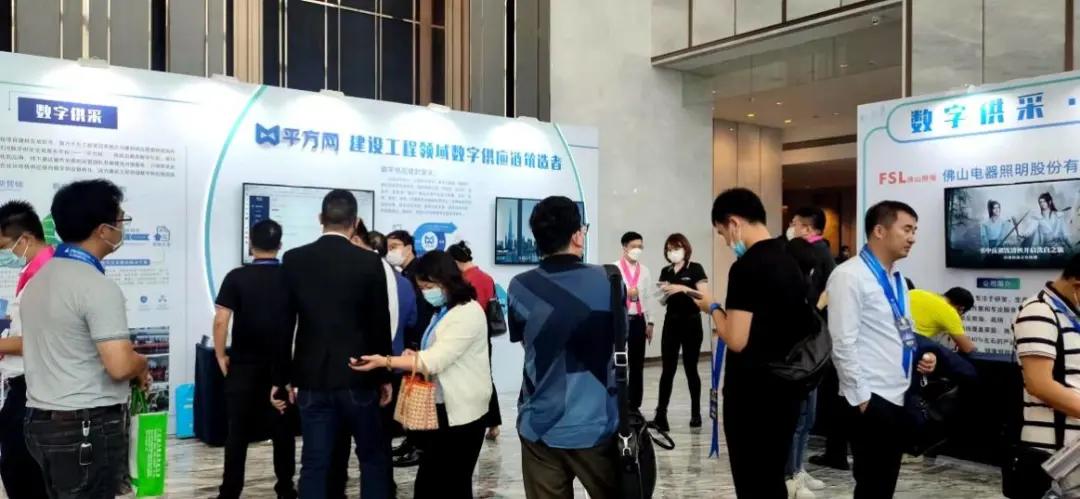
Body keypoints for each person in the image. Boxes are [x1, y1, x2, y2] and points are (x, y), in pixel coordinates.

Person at [21, 179, 151, 498]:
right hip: (85, 427)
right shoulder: (96, 286)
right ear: (103, 230)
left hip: (41, 421)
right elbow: (120, 366)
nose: (122, 227)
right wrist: (141, 364)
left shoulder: (39, 280)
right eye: (120, 219)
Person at [273, 189, 393, 499]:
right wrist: (384, 375)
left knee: (314, 463)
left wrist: (283, 379)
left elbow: (283, 325)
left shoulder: (294, 259)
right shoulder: (369, 262)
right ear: (355, 222)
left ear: (320, 218)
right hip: (360, 374)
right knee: (372, 458)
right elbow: (379, 323)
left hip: (310, 379)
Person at [697, 188, 816, 498]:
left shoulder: (747, 266)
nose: (726, 241)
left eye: (723, 233)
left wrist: (712, 307)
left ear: (734, 223)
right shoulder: (791, 259)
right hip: (787, 390)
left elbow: (736, 339)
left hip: (753, 396)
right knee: (772, 478)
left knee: (753, 482)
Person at [352, 250, 492, 499]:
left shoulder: (467, 313)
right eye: (422, 287)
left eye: (429, 286)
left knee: (450, 484)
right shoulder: (444, 311)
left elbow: (435, 361)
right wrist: (414, 355)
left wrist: (384, 361)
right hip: (442, 409)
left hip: (462, 413)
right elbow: (434, 352)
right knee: (433, 483)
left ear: (447, 280)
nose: (426, 292)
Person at [827, 200, 939, 499]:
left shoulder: (896, 279)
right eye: (907, 229)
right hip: (872, 398)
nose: (912, 238)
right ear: (879, 230)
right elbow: (843, 343)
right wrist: (863, 399)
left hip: (899, 394)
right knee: (872, 486)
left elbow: (900, 330)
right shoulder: (849, 275)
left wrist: (921, 355)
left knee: (884, 484)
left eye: (914, 230)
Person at [508, 196, 619, 498]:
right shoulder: (609, 280)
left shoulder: (519, 286)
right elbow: (617, 340)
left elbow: (526, 343)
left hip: (539, 423)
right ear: (577, 236)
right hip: (598, 422)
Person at [213, 219, 297, 499]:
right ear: (280, 245)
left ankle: (230, 492)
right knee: (282, 432)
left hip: (243, 366)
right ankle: (285, 489)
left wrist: (220, 354)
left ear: (250, 244)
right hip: (280, 367)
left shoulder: (236, 277)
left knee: (237, 433)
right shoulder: (290, 278)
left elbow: (221, 320)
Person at [1008, 254, 1080, 498]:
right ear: (1077, 285)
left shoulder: (1071, 314)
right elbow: (1040, 384)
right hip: (1055, 455)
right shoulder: (1039, 312)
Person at [0, 201, 53, 499]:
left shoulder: (46, 276)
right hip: (23, 386)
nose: (7, 254)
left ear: (26, 239)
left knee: (22, 470)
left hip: (33, 387)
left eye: (6, 247)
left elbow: (36, 340)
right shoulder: (33, 272)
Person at [784, 206, 838, 497]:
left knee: (805, 416)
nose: (790, 228)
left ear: (806, 228)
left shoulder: (817, 255)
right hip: (806, 346)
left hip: (809, 346)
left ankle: (796, 471)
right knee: (802, 415)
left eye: (794, 223)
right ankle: (793, 472)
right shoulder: (815, 254)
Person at [386, 229, 432, 467]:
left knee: (418, 397)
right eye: (388, 247)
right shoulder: (402, 273)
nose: (390, 251)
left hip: (418, 342)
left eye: (394, 246)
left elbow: (420, 313)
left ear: (408, 247)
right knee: (409, 397)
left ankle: (419, 446)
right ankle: (411, 441)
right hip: (408, 345)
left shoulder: (418, 272)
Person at [653, 233, 709, 431]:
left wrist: (682, 288)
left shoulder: (695, 268)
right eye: (669, 249)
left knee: (691, 368)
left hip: (691, 322)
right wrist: (663, 291)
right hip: (671, 323)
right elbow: (662, 300)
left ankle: (696, 413)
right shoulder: (666, 270)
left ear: (685, 249)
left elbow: (703, 295)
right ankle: (661, 414)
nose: (672, 252)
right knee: (667, 369)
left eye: (676, 248)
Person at [448, 241, 502, 440]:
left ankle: (479, 421)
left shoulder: (466, 280)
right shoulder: (486, 277)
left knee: (474, 379)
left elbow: (468, 313)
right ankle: (494, 424)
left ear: (455, 261)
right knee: (486, 376)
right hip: (483, 335)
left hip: (469, 338)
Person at [614, 231, 655, 411]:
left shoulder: (645, 270)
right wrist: (626, 294)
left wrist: (650, 322)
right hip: (620, 320)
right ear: (625, 248)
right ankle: (618, 401)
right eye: (634, 246)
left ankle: (635, 404)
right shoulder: (614, 269)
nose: (637, 250)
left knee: (637, 364)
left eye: (640, 247)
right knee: (618, 362)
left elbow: (649, 297)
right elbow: (610, 296)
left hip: (638, 320)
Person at [910, 286, 977, 354]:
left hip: (904, 335)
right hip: (910, 345)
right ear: (961, 309)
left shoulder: (916, 292)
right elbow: (968, 348)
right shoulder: (950, 312)